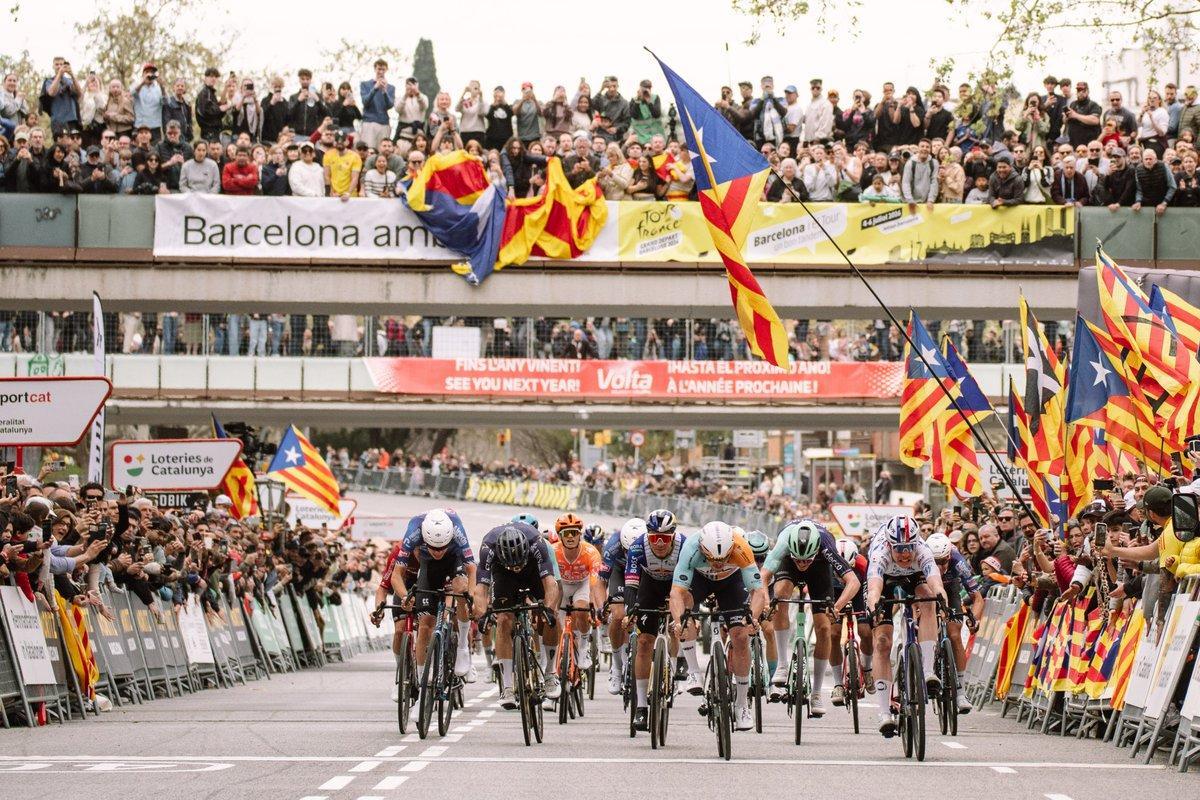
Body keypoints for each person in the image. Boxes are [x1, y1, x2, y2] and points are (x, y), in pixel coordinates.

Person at [669, 521, 768, 732]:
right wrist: (679, 622)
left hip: (731, 583)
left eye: (723, 559)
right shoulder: (691, 548)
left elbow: (758, 592)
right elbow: (676, 592)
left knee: (741, 636)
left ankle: (742, 704)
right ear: (703, 549)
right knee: (685, 613)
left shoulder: (741, 547)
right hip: (700, 580)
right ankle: (693, 671)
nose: (718, 563)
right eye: (713, 559)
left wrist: (753, 618)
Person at [761, 520, 860, 715]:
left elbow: (853, 581)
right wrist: (766, 602)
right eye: (799, 560)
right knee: (780, 595)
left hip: (820, 569)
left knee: (824, 627)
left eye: (806, 560)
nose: (802, 565)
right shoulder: (784, 543)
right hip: (786, 564)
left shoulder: (825, 545)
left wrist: (838, 607)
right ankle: (782, 664)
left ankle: (816, 694)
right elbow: (763, 576)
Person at [864, 516, 946, 737]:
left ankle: (928, 671)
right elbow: (873, 589)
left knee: (929, 599)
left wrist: (942, 600)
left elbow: (936, 582)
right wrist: (874, 607)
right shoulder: (879, 552)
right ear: (890, 545)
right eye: (899, 549)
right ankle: (884, 713)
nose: (904, 554)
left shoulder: (922, 550)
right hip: (885, 581)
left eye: (909, 547)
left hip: (914, 576)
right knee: (882, 641)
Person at [473, 522, 560, 710]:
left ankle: (550, 673)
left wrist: (549, 609)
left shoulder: (536, 542)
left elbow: (550, 584)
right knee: (504, 619)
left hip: (533, 572)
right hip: (503, 575)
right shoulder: (488, 547)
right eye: (513, 565)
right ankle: (507, 687)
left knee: (552, 618)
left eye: (518, 563)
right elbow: (480, 590)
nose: (516, 567)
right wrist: (482, 615)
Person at [624, 509, 686, 729]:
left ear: (673, 536)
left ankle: (679, 660)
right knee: (643, 643)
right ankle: (641, 706)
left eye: (665, 538)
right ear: (647, 535)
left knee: (678, 625)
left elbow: (690, 585)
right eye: (654, 538)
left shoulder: (684, 547)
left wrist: (685, 614)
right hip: (648, 586)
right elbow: (631, 584)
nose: (659, 543)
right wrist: (631, 611)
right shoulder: (637, 547)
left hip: (675, 586)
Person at [925, 533, 983, 713]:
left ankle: (960, 693)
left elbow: (978, 597)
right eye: (936, 563)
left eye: (944, 562)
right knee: (928, 626)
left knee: (955, 635)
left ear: (949, 556)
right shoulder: (922, 560)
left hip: (950, 589)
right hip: (928, 588)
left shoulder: (959, 562)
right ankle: (928, 668)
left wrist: (975, 618)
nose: (941, 567)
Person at [550, 513, 604, 680]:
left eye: (574, 533)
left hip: (582, 583)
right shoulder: (553, 551)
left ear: (580, 534)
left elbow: (595, 584)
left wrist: (594, 605)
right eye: (567, 533)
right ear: (560, 536)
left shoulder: (590, 552)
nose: (571, 537)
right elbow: (547, 580)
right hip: (561, 586)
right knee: (555, 623)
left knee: (581, 609)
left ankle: (584, 648)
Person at [599, 517, 645, 695]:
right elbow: (600, 581)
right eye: (626, 550)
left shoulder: (648, 543)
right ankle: (617, 666)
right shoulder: (613, 545)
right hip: (620, 573)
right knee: (617, 615)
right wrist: (602, 604)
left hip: (642, 573)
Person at [1133, 148, 1176, 214]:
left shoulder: (1164, 166)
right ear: (1142, 160)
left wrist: (1164, 203)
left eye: (1150, 159)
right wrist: (1138, 201)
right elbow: (1139, 190)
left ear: (1155, 159)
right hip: (1147, 204)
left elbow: (1172, 186)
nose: (1148, 161)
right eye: (1146, 159)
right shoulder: (1138, 169)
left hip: (1164, 202)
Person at [900, 138, 939, 211]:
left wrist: (930, 200)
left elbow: (934, 182)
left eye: (927, 147)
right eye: (922, 146)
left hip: (926, 202)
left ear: (930, 150)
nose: (925, 148)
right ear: (918, 148)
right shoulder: (910, 163)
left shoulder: (934, 163)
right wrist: (910, 200)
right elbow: (906, 182)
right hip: (911, 202)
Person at [323, 130, 361, 201]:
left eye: (342, 140)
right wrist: (331, 192)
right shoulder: (328, 155)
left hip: (350, 196)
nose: (339, 142)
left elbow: (355, 178)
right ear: (334, 142)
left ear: (347, 142)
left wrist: (348, 193)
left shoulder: (355, 156)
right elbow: (327, 176)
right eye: (337, 140)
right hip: (334, 195)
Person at [130, 63, 163, 142]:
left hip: (155, 126)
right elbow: (131, 94)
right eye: (147, 72)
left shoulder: (158, 88)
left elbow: (165, 102)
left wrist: (162, 86)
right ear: (143, 74)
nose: (149, 74)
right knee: (138, 152)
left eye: (152, 72)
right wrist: (143, 82)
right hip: (140, 125)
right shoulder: (136, 85)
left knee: (155, 152)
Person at [288, 68, 326, 137]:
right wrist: (298, 100)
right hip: (297, 135)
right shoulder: (293, 97)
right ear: (299, 80)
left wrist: (317, 100)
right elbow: (289, 115)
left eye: (307, 79)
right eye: (303, 79)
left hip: (314, 135)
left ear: (311, 80)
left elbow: (326, 113)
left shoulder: (318, 96)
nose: (305, 81)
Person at [1065, 82, 1103, 147]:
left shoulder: (1093, 105)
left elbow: (1095, 120)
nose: (1080, 92)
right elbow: (1066, 121)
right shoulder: (1073, 104)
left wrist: (1076, 115)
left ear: (1087, 91)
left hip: (1088, 144)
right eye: (1078, 90)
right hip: (1074, 143)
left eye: (1083, 90)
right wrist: (1066, 117)